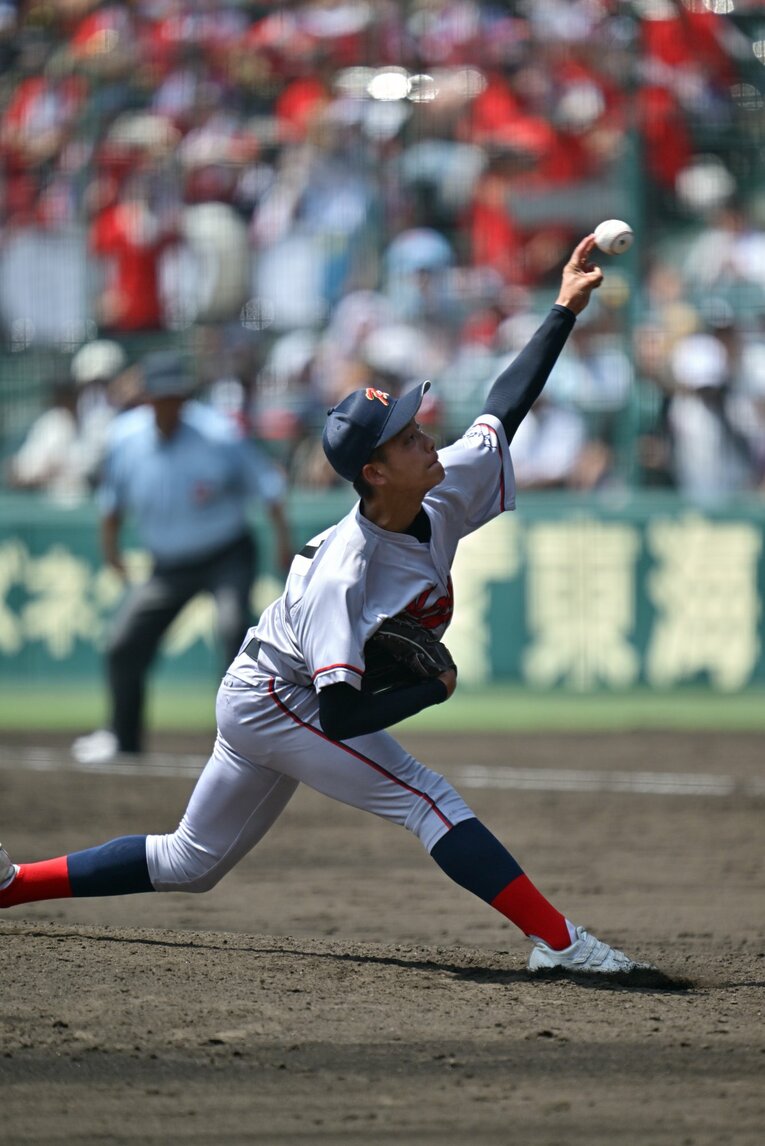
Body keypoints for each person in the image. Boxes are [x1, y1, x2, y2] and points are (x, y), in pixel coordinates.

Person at [1, 236, 651, 977]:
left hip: (263, 688)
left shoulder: (440, 481)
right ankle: (559, 943)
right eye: (406, 437)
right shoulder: (346, 572)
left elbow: (506, 406)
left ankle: (10, 888)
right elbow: (339, 715)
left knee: (191, 861)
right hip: (283, 697)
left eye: (417, 423)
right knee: (426, 800)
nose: (425, 436)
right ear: (373, 472)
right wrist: (426, 690)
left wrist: (564, 305)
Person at [71, 349, 293, 766]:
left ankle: (241, 743)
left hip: (227, 553)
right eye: (162, 395)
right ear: (147, 399)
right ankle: (124, 739)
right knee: (123, 643)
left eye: (178, 395)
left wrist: (283, 543)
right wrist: (112, 552)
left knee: (233, 632)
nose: (170, 404)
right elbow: (112, 504)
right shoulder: (125, 438)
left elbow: (269, 488)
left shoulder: (218, 435)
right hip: (168, 565)